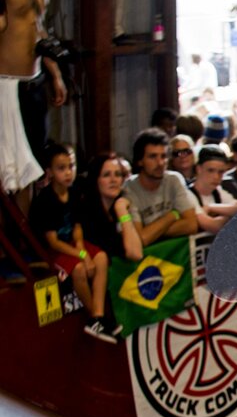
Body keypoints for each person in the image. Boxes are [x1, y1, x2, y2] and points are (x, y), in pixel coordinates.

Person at [0, 0, 68, 209]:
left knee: (32, 167)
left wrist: (55, 74)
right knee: (9, 169)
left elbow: (40, 30)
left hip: (35, 82)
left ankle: (25, 233)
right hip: (7, 85)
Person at [29, 143, 115, 341]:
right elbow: (53, 242)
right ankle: (94, 317)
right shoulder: (45, 200)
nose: (68, 172)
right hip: (52, 250)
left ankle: (99, 314)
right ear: (50, 172)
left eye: (71, 166)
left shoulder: (75, 192)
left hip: (71, 244)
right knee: (78, 270)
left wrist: (83, 249)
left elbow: (77, 227)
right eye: (61, 168)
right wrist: (82, 256)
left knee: (101, 257)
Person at [124, 127, 198, 245]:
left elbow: (191, 225)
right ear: (140, 161)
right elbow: (140, 238)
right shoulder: (129, 188)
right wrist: (173, 215)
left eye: (163, 156)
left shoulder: (174, 180)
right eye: (153, 157)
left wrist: (152, 231)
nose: (160, 163)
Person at [82, 151, 144, 262]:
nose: (113, 180)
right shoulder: (86, 213)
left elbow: (136, 253)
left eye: (118, 174)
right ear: (95, 179)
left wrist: (121, 210)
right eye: (106, 175)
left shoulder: (120, 205)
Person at [188, 144, 237, 231]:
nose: (216, 177)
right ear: (198, 169)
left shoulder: (218, 191)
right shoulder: (188, 195)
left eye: (221, 172)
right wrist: (229, 216)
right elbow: (213, 226)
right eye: (210, 170)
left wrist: (210, 207)